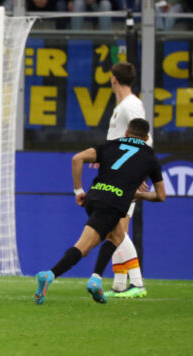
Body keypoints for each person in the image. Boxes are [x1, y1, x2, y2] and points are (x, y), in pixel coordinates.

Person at [35, 117, 165, 305]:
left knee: (117, 235)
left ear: (126, 133)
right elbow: (161, 195)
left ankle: (97, 279)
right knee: (83, 248)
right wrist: (140, 195)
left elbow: (77, 159)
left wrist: (78, 191)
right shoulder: (150, 157)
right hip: (113, 204)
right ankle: (50, 275)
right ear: (146, 138)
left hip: (93, 197)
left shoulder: (112, 144)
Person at [85, 62, 155, 299]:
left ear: (113, 79)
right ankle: (119, 283)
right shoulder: (122, 106)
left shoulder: (131, 105)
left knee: (116, 230)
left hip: (125, 177)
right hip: (116, 174)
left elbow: (145, 137)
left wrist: (139, 171)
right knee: (114, 229)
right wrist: (102, 157)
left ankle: (137, 283)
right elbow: (119, 140)